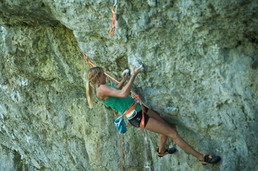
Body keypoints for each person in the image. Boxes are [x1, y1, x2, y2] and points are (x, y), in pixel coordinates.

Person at [86, 66, 221, 165]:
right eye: (103, 74)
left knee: (167, 126)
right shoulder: (101, 89)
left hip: (140, 110)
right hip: (137, 116)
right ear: (98, 77)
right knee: (173, 133)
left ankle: (161, 151)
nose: (105, 75)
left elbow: (116, 90)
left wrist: (123, 79)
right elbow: (123, 94)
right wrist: (134, 75)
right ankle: (201, 157)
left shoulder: (102, 88)